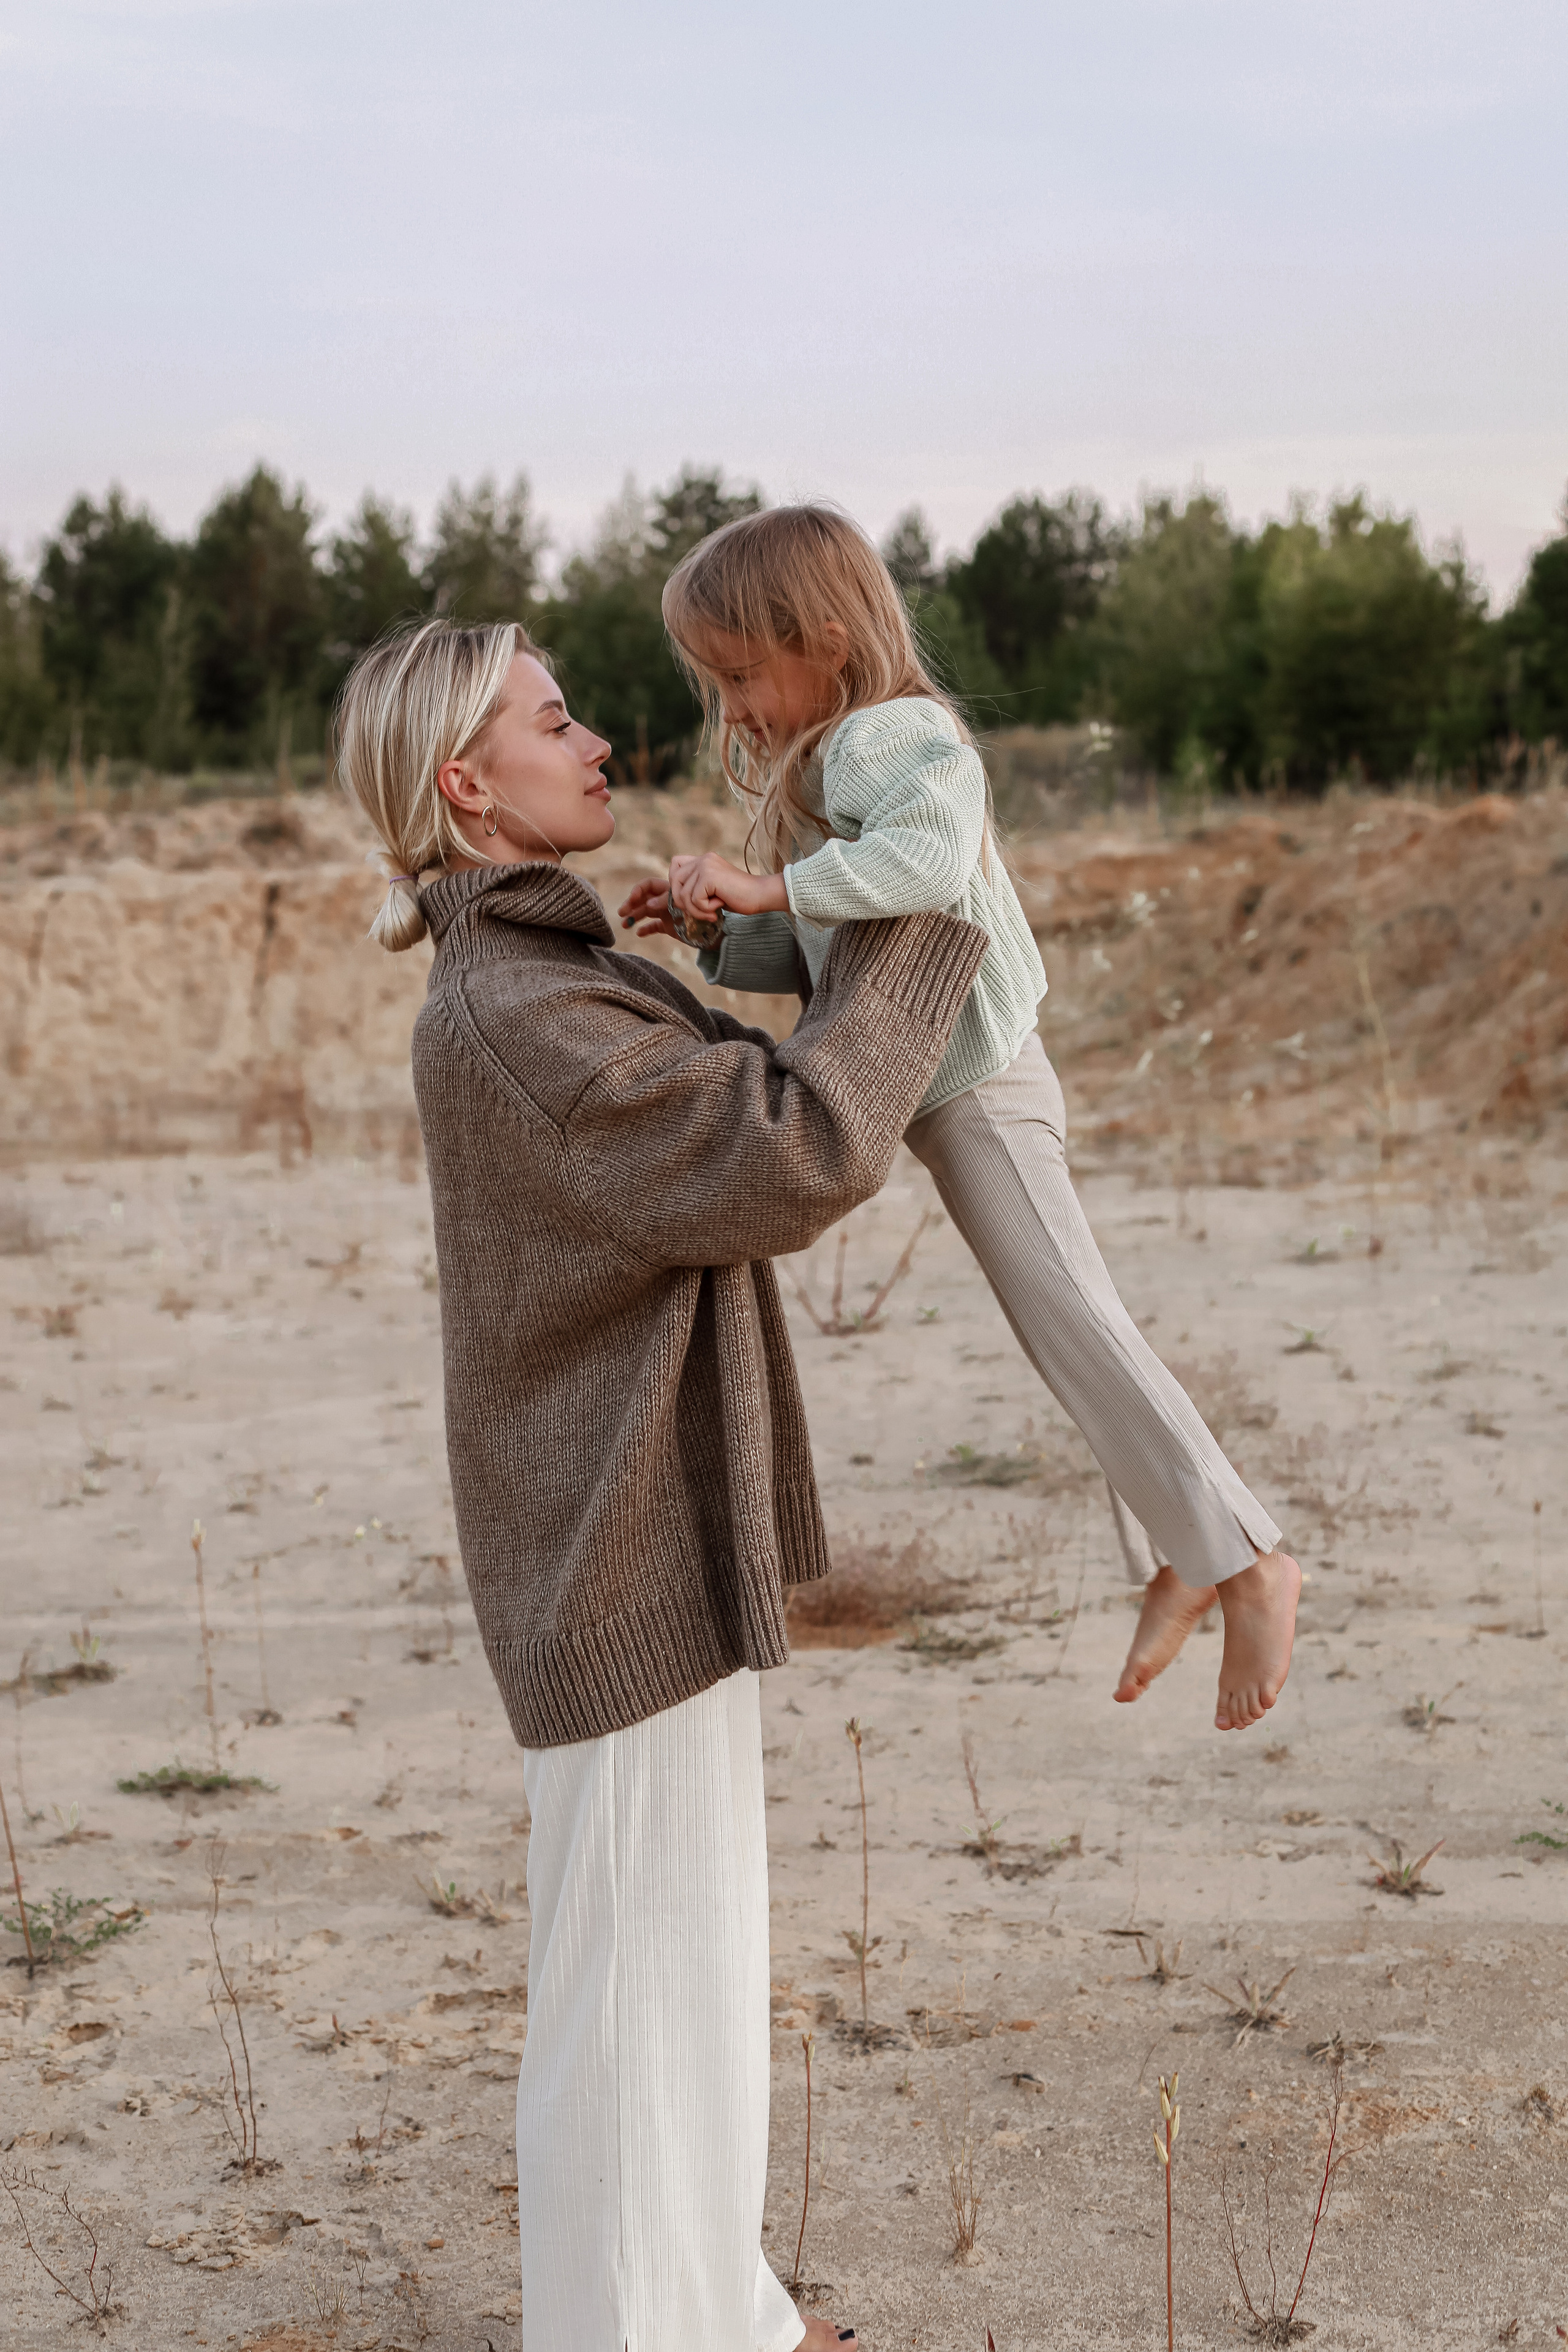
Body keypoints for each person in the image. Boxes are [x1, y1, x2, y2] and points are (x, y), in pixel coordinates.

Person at [335, 614, 988, 2352]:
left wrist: (805, 919)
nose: (599, 742)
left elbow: (750, 1095)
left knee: (684, 1979)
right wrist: (925, 913)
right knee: (630, 2005)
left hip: (639, 1536)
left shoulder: (546, 975)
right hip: (606, 1557)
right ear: (468, 785)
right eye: (556, 722)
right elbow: (786, 1146)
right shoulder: (514, 1012)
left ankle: (724, 2317)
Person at [619, 502, 1300, 1733]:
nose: (732, 708)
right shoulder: (838, 762)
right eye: (714, 683)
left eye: (741, 674)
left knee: (1075, 1318)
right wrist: (724, 932)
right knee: (1062, 1327)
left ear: (828, 643)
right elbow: (839, 946)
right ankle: (1188, 1552)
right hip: (955, 1099)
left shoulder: (893, 735)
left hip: (980, 1089)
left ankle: (1249, 1562)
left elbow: (930, 865)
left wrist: (765, 880)